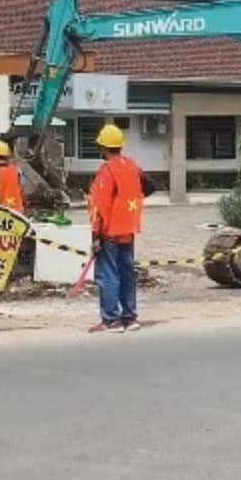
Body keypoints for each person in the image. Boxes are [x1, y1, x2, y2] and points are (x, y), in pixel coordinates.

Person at [86, 124, 155, 334]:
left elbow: (100, 206)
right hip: (128, 230)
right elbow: (151, 186)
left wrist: (95, 236)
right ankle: (130, 318)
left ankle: (111, 320)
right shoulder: (132, 166)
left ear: (103, 147)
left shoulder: (107, 170)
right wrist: (128, 205)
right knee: (127, 274)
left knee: (108, 275)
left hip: (110, 231)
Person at [0, 141, 26, 213]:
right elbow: (23, 189)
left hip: (3, 212)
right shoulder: (18, 171)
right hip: (18, 212)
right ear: (8, 156)